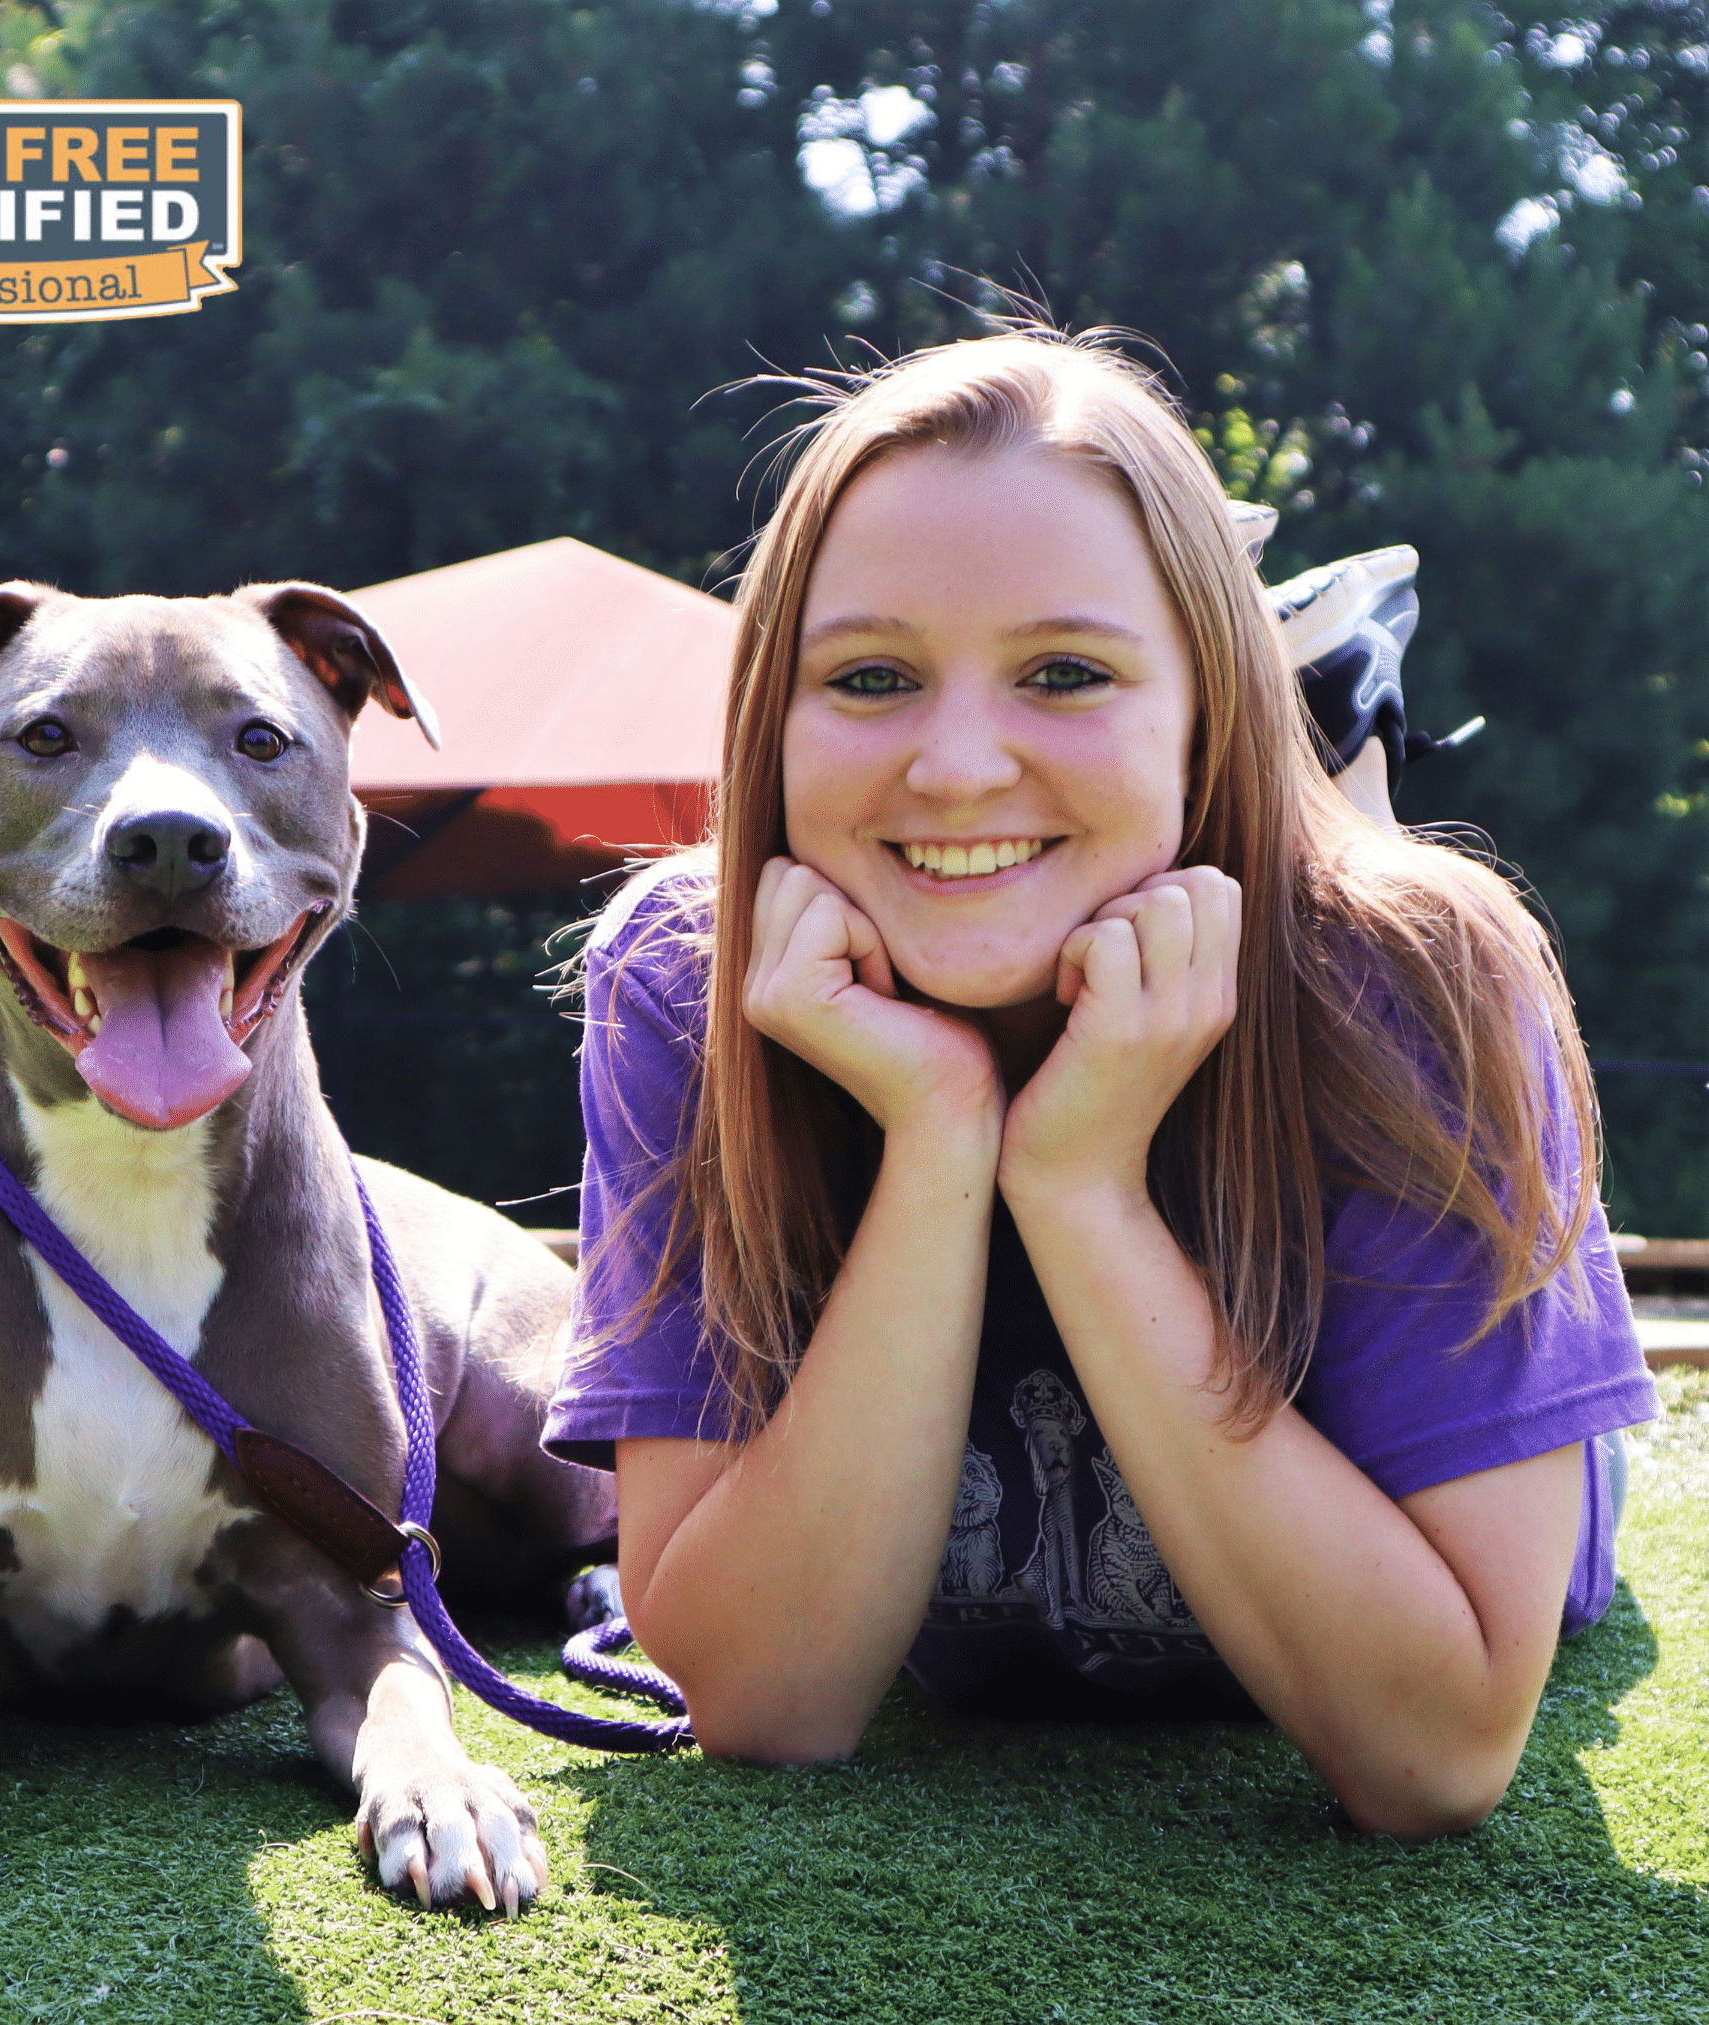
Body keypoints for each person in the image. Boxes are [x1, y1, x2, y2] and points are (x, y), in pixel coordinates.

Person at [540, 328, 1655, 1838]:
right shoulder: (689, 975)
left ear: (1206, 714)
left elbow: (1435, 1754)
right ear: (770, 722)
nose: (954, 767)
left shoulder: (1418, 981)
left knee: (1369, 892)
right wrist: (940, 1139)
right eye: (870, 676)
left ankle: (1341, 721)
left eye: (1066, 672)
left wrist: (1080, 1186)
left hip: (1450, 1430)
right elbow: (766, 1700)